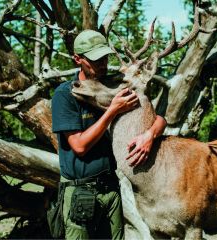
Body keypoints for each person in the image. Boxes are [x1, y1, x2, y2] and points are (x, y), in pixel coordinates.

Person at [51, 29, 167, 239]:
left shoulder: (114, 86)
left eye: (104, 57)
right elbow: (79, 146)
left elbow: (160, 119)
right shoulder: (65, 94)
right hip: (80, 191)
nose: (102, 64)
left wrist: (149, 135)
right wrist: (113, 110)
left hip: (111, 188)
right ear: (77, 59)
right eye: (95, 60)